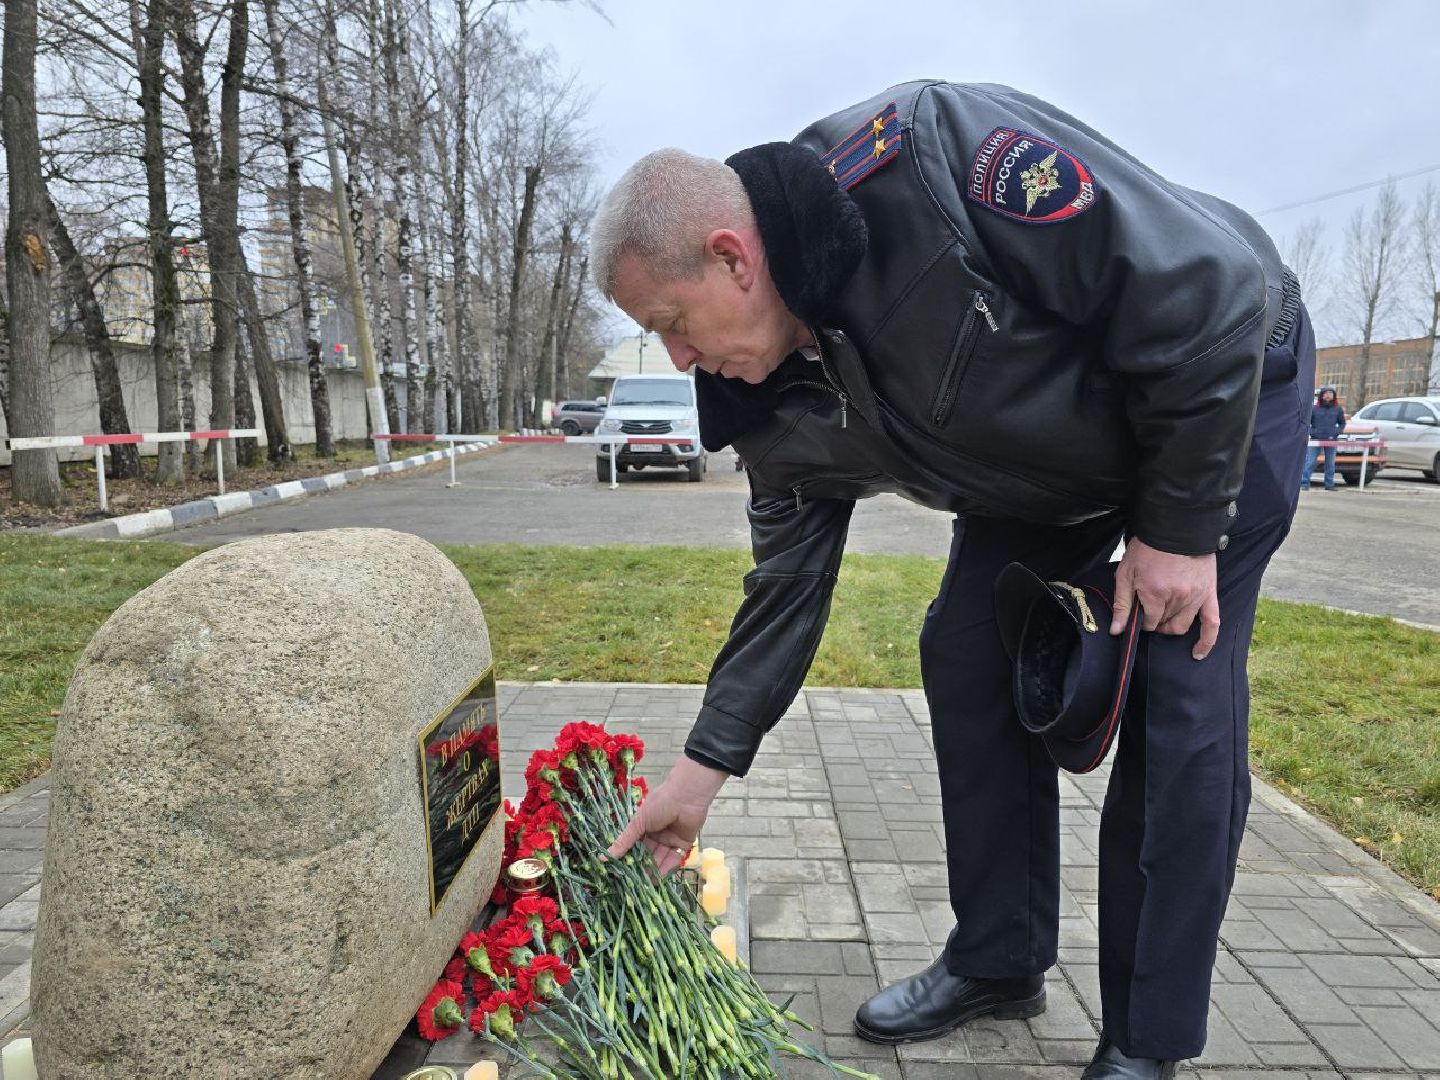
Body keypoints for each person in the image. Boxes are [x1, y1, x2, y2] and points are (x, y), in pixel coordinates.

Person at [597, 81, 1312, 1080]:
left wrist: (1179, 528)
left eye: (676, 322)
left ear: (733, 256)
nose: (681, 360)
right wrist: (702, 770)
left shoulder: (937, 167)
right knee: (967, 649)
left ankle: (1147, 1040)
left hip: (1212, 394)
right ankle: (999, 956)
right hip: (1049, 464)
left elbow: (1214, 287)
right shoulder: (760, 398)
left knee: (1178, 691)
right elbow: (786, 591)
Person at [1301, 385, 1346, 490]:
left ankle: (1329, 484)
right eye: (1326, 393)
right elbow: (1307, 424)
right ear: (1322, 395)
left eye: (1330, 394)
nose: (1328, 396)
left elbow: (1342, 424)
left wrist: (1336, 432)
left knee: (1330, 464)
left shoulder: (1338, 409)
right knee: (1310, 462)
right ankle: (1304, 483)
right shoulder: (1314, 409)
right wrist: (1313, 432)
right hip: (1316, 440)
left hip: (1331, 440)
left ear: (1334, 396)